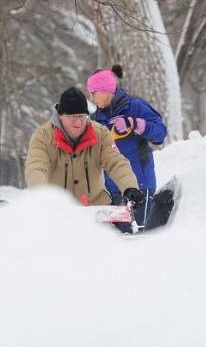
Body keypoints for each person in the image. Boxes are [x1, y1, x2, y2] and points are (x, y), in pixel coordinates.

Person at [24, 86, 145, 210]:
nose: (78, 123)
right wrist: (41, 194)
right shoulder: (43, 136)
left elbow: (116, 163)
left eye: (82, 116)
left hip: (96, 208)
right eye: (73, 117)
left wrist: (130, 187)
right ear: (60, 116)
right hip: (57, 210)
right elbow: (36, 168)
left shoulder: (100, 134)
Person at [87, 65, 167, 229]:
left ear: (105, 91)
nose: (92, 98)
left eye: (93, 93)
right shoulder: (95, 119)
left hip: (140, 186)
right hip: (113, 190)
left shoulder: (135, 107)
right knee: (122, 238)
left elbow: (160, 134)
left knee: (142, 235)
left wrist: (134, 123)